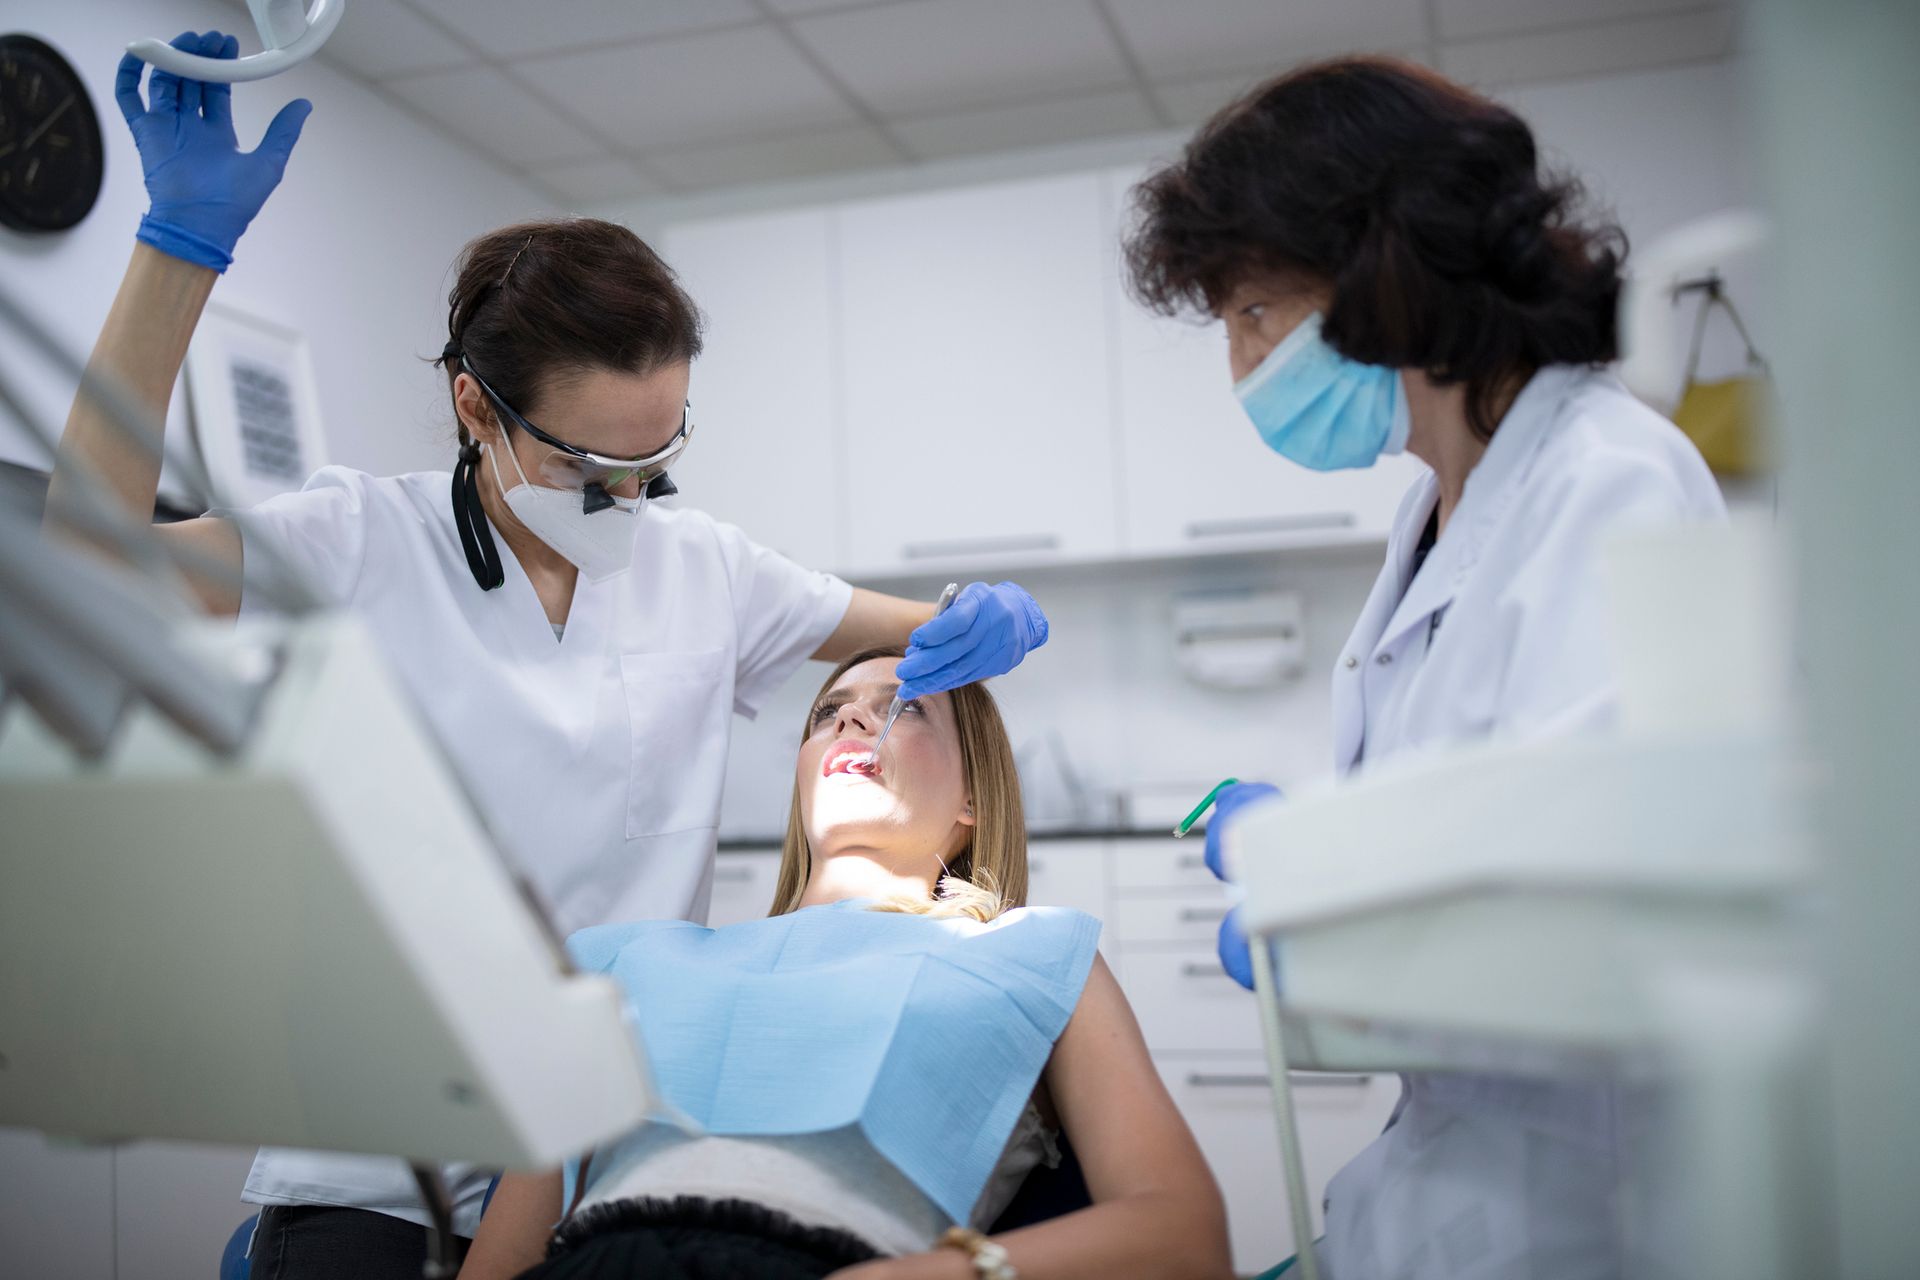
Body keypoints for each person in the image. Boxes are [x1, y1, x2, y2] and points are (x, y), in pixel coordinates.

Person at [53, 34, 1049, 1278]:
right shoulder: (354, 541)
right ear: (478, 407)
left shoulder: (711, 567)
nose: (630, 496)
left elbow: (915, 638)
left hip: (610, 1166)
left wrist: (982, 612)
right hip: (383, 1165)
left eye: (658, 458)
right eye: (590, 465)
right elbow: (84, 569)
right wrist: (176, 252)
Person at [1122, 56, 1727, 1280]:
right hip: (1437, 1182)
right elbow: (1489, 799)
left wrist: (1327, 914)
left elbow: (1593, 912)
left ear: (1376, 271)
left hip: (1582, 1203)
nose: (1239, 367)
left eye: (1250, 314)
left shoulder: (1609, 483)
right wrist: (1333, 853)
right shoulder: (1446, 507)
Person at [460, 648, 1232, 1280]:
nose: (851, 717)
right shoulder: (619, 959)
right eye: (828, 711)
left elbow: (1184, 1238)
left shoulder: (1034, 953)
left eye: (906, 704)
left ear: (973, 802)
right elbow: (502, 1263)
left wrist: (924, 1277)